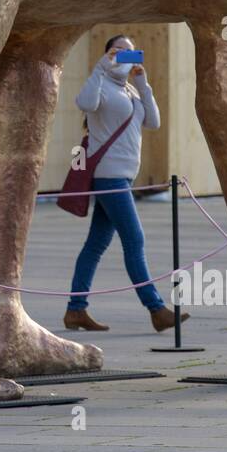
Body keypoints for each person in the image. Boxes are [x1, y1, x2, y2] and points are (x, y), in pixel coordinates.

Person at [63, 34, 188, 333]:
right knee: (134, 239)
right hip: (109, 175)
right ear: (107, 54)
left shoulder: (130, 90)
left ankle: (75, 309)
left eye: (129, 53)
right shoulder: (101, 84)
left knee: (96, 244)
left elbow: (153, 121)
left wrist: (143, 84)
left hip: (123, 176)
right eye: (117, 51)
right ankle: (156, 309)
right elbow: (84, 102)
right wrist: (99, 68)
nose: (123, 56)